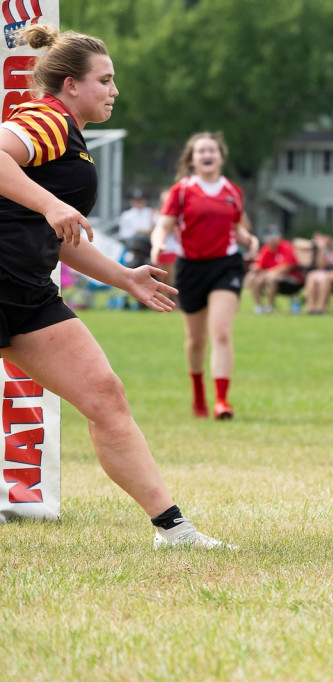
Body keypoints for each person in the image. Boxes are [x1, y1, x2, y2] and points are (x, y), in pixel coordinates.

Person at [0, 25, 233, 548]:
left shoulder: (71, 138)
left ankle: (173, 530)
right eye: (104, 80)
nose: (114, 90)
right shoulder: (47, 118)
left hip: (26, 291)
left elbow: (60, 236)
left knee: (105, 396)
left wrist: (123, 277)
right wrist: (51, 203)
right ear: (70, 84)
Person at [150, 131, 258, 421]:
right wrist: (157, 243)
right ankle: (198, 391)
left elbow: (238, 226)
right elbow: (164, 225)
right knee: (196, 339)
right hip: (191, 267)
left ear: (221, 157)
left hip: (226, 265)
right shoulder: (182, 191)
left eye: (212, 150)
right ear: (192, 159)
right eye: (201, 151)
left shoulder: (232, 191)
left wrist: (248, 238)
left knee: (221, 331)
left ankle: (222, 401)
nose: (207, 155)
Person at [247, 227, 302, 314]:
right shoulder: (266, 249)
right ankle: (259, 306)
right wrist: (254, 268)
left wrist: (269, 272)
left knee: (271, 277)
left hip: (290, 279)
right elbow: (259, 265)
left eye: (274, 235)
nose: (272, 238)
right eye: (269, 236)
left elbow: (288, 266)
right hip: (267, 276)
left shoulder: (286, 246)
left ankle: (270, 306)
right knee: (252, 277)